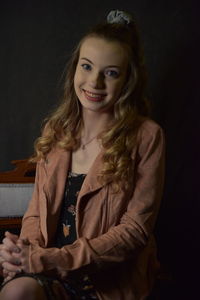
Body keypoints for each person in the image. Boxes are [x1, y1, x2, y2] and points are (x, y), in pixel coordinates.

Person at [0, 9, 165, 300]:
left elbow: (135, 231)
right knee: (16, 293)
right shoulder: (57, 129)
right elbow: (36, 212)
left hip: (107, 284)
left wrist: (50, 259)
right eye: (87, 67)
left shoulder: (146, 136)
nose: (95, 82)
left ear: (128, 80)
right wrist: (22, 252)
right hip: (49, 273)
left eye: (110, 73)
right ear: (75, 68)